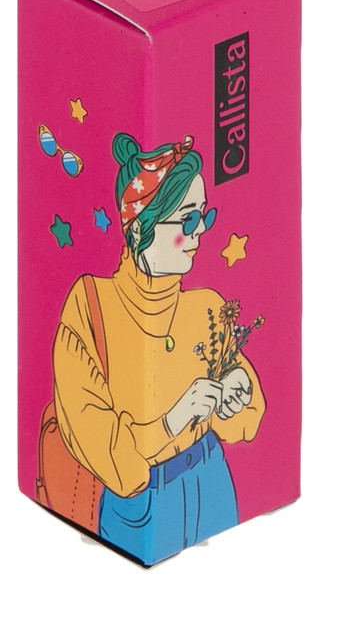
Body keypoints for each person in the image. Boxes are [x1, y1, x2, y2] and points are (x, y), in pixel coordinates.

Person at [52, 132, 265, 564]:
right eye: (187, 220)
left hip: (212, 481)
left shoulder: (207, 307)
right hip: (139, 504)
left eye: (203, 217)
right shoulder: (91, 306)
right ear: (140, 228)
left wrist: (238, 391)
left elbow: (248, 421)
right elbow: (109, 454)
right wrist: (171, 421)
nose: (199, 232)